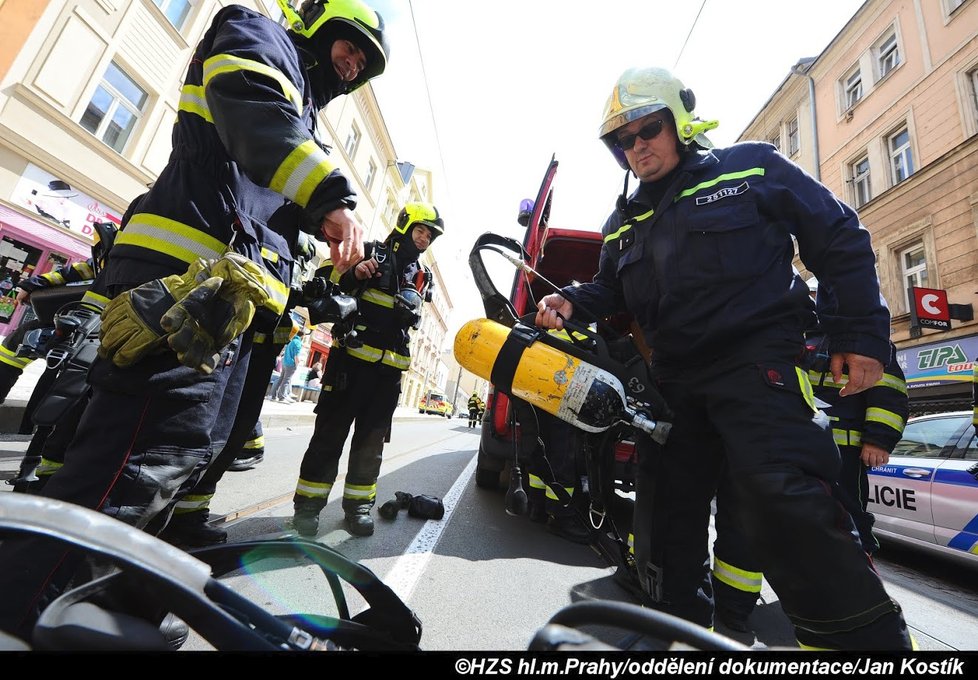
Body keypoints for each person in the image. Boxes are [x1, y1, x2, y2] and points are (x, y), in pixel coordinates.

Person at [0, 0, 388, 640]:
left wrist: (319, 236)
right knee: (134, 465)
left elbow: (269, 196)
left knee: (176, 464)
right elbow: (252, 109)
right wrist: (331, 197)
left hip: (219, 308)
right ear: (319, 26)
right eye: (350, 46)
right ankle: (22, 617)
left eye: (365, 65)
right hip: (177, 290)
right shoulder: (259, 36)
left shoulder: (306, 118)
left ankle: (111, 617)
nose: (352, 66)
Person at [534, 66, 911, 649]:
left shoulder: (751, 167)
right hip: (673, 388)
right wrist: (569, 299)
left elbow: (838, 236)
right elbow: (608, 291)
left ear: (680, 122)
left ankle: (864, 648)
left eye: (648, 130)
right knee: (662, 526)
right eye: (623, 141)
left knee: (779, 499)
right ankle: (684, 641)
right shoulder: (623, 223)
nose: (636, 148)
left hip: (757, 369)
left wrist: (860, 334)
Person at [292, 202, 442, 538]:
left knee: (370, 446)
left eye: (430, 236)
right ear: (405, 226)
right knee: (328, 438)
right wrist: (353, 274)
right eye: (421, 230)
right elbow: (324, 281)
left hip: (388, 375)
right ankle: (308, 509)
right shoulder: (368, 251)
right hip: (350, 365)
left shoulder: (421, 276)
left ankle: (358, 508)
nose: (424, 239)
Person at [271, 323, 304, 403]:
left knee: (280, 379)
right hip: (291, 364)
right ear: (302, 336)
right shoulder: (298, 343)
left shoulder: (291, 341)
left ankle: (273, 396)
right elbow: (296, 356)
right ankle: (282, 397)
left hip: (284, 362)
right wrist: (297, 365)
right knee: (286, 381)